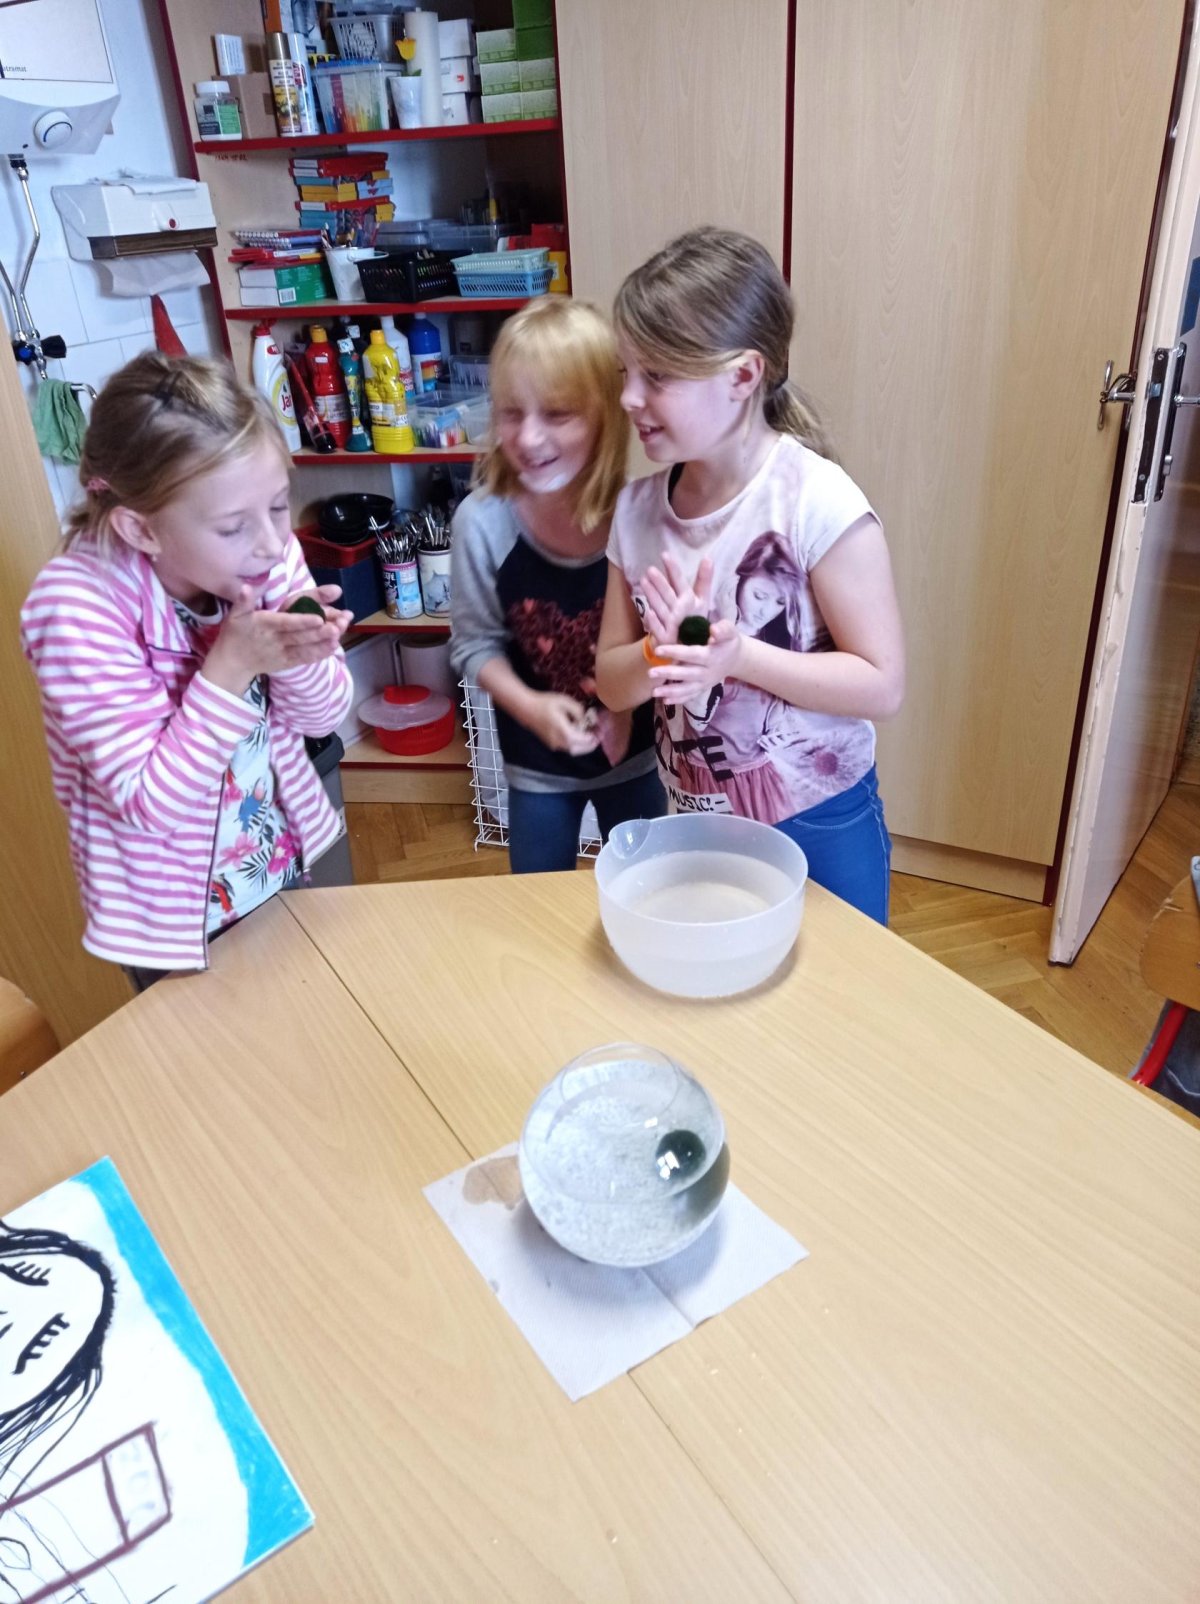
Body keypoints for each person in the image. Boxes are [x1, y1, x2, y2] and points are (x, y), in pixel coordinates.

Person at [595, 226, 905, 924]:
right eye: (626, 373)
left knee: (844, 982)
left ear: (742, 376)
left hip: (821, 818)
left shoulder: (818, 501)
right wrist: (660, 653)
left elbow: (882, 685)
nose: (630, 398)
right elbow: (612, 684)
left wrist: (736, 658)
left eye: (657, 376)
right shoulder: (635, 512)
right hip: (699, 822)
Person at [20, 352, 353, 985]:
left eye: (279, 505)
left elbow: (322, 718)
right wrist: (232, 664)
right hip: (173, 920)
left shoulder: (262, 552)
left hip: (276, 859)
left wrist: (299, 656)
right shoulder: (75, 608)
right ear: (141, 530)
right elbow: (151, 806)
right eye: (233, 526)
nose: (273, 541)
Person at [450, 298, 665, 872]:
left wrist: (623, 705)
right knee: (534, 902)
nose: (528, 437)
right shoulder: (482, 523)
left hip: (635, 761)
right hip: (535, 770)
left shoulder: (642, 515)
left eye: (558, 413)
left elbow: (659, 642)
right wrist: (531, 708)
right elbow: (474, 645)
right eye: (510, 413)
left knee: (650, 887)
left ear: (607, 418)